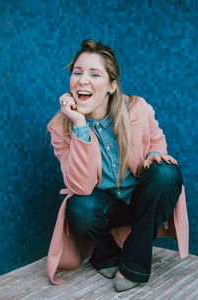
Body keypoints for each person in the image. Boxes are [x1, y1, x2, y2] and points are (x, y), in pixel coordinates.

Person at [46, 39, 189, 292]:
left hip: (140, 199)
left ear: (111, 86)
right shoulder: (61, 126)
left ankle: (134, 262)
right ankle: (106, 254)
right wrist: (80, 125)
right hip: (106, 205)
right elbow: (80, 186)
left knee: (167, 173)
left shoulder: (138, 108)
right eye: (77, 73)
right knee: (80, 206)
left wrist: (155, 153)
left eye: (94, 74)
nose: (82, 80)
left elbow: (157, 138)